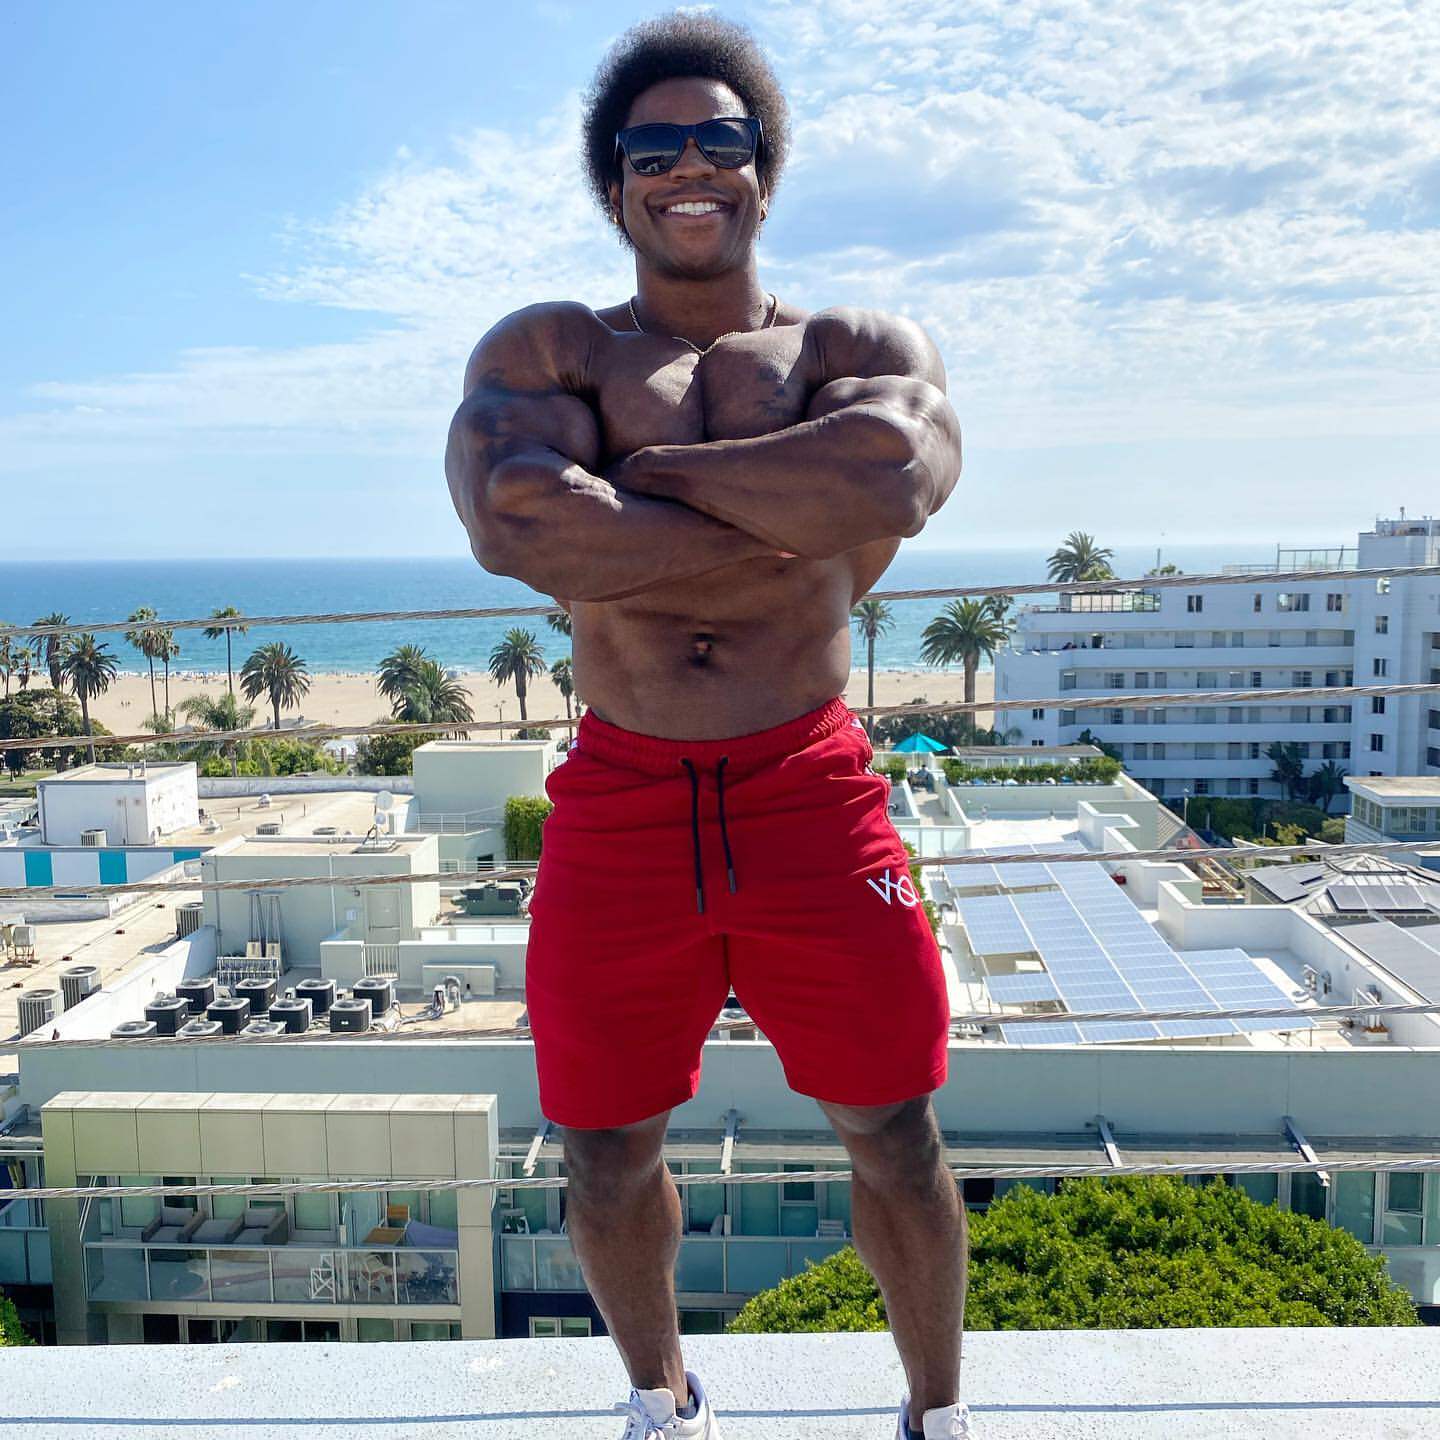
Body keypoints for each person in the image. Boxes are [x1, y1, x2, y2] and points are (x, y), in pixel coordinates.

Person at [445, 14, 969, 1440]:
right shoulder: (551, 348)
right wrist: (777, 509)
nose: (690, 165)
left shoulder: (857, 343)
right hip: (622, 795)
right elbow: (519, 521)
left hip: (812, 789)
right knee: (603, 1146)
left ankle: (936, 1413)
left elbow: (888, 475)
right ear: (614, 183)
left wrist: (643, 479)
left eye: (720, 140)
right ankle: (662, 1399)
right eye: (654, 146)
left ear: (763, 171)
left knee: (895, 1129)